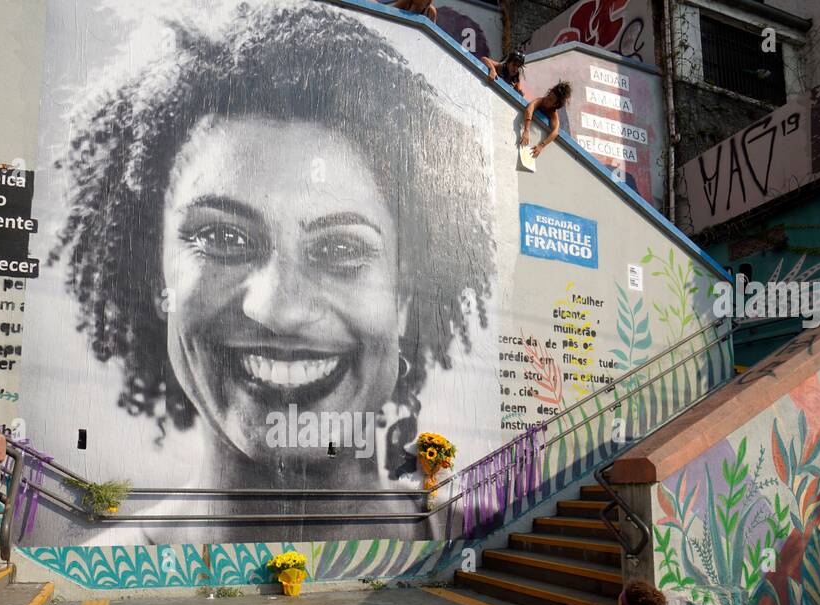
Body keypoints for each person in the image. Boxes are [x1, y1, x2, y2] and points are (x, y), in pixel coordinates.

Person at [49, 2, 494, 540]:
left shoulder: (478, 543)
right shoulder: (112, 569)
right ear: (156, 274)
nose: (278, 309)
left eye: (341, 249)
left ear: (405, 294)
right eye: (222, 237)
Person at [520, 80, 571, 159]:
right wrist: (526, 130)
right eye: (548, 96)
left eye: (550, 100)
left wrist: (541, 145)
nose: (546, 99)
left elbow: (555, 132)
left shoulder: (553, 114)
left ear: (555, 104)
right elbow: (530, 108)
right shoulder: (541, 101)